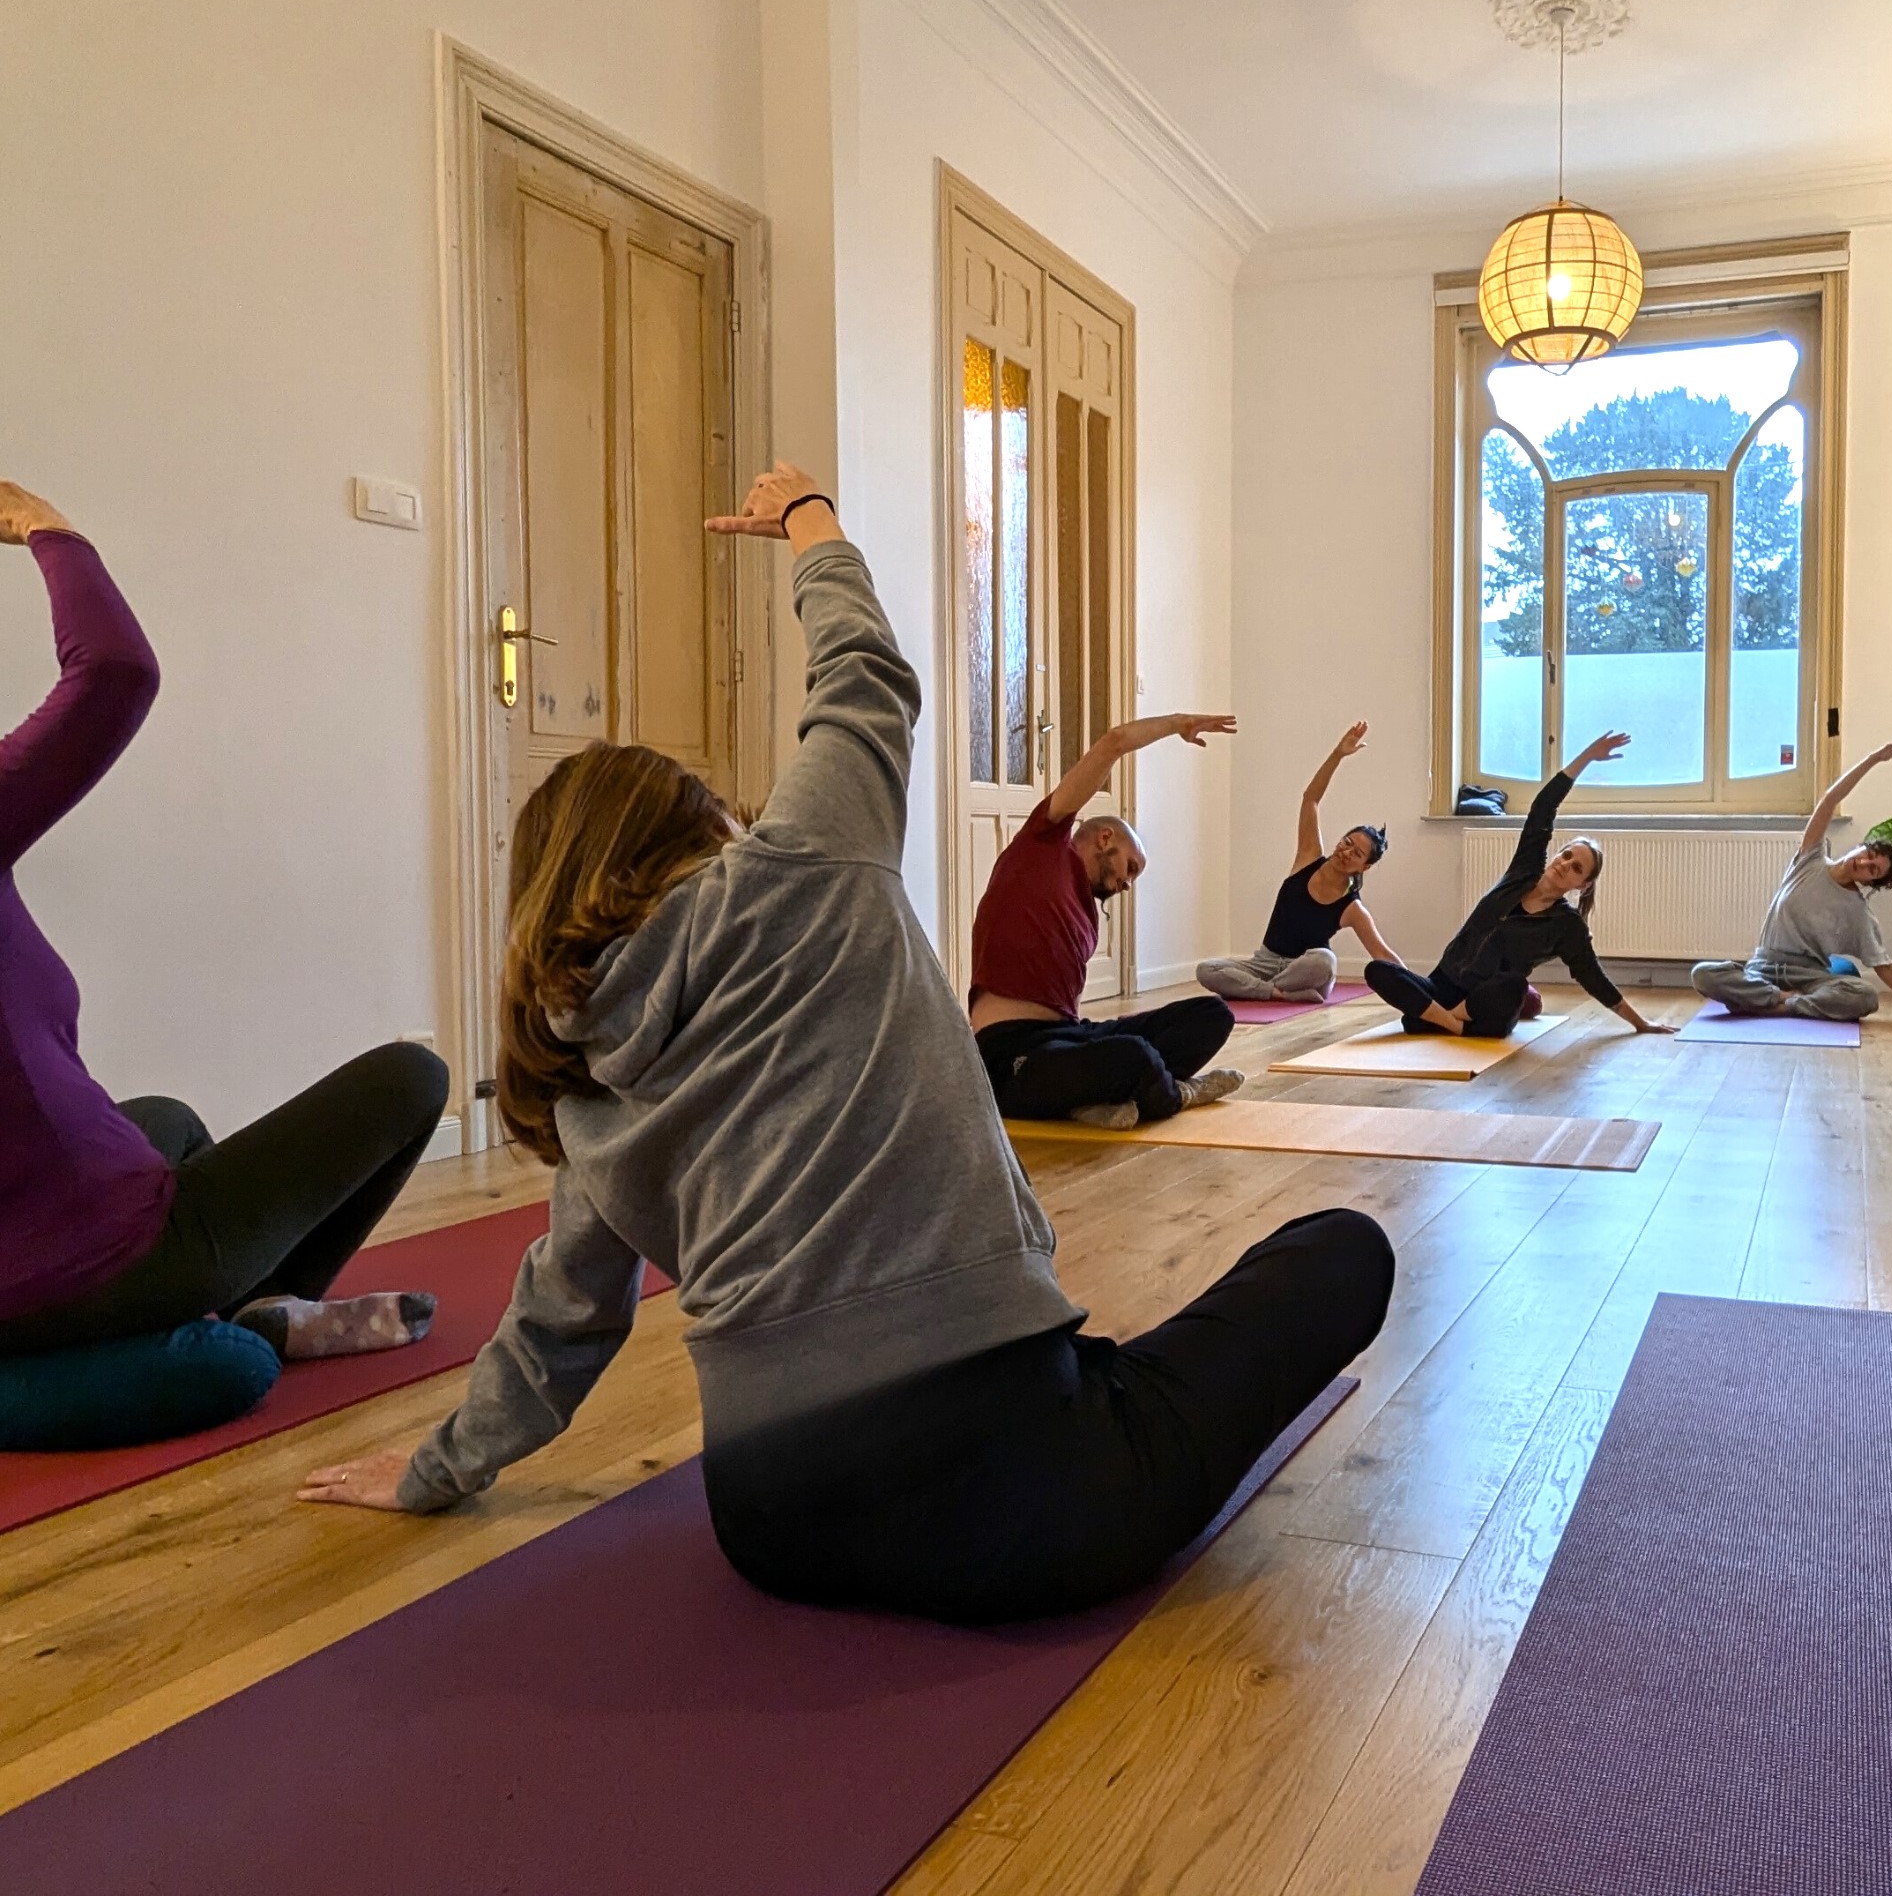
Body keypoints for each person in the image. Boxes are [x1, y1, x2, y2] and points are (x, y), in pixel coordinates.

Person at [298, 464, 1395, 1627]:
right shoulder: (803, 862)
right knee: (1339, 1248)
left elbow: (562, 1315)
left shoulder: (583, 1086)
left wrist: (434, 1469)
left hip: (773, 1524)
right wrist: (806, 519)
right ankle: (1075, 1384)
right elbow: (865, 671)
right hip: (1029, 1493)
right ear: (709, 830)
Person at [0, 481, 448, 1365]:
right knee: (413, 1078)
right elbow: (116, 671)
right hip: (92, 1268)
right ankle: (264, 1310)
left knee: (163, 1116)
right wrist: (42, 522)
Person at [968, 713, 1243, 1131]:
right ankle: (1174, 1094)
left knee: (1212, 1014)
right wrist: (1178, 724)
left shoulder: (1087, 916)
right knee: (1131, 1055)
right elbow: (1113, 741)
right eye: (1130, 868)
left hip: (1073, 1036)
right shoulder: (1043, 843)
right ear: (1104, 839)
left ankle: (1103, 1095)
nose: (1127, 884)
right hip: (1011, 1053)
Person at [1364, 733, 1675, 1039]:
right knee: (1377, 971)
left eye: (1576, 867)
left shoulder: (1567, 926)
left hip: (1487, 998)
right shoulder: (1523, 871)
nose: (1565, 864)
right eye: (1566, 855)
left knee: (1513, 986)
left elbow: (1592, 977)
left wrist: (1640, 1023)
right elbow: (1543, 808)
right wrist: (1585, 758)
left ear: (1583, 884)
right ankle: (1453, 1024)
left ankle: (1432, 1019)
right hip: (1443, 984)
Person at [1692, 740, 1892, 1023]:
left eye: (1874, 871)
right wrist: (1873, 758)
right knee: (1703, 974)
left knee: (1864, 996)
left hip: (1808, 977)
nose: (1866, 863)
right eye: (1870, 854)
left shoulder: (1857, 911)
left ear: (1870, 883)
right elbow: (1829, 800)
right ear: (1860, 846)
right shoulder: (1812, 859)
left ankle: (1774, 1004)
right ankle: (1779, 999)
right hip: (1762, 969)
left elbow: (1884, 965)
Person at [1196, 721, 1403, 1002]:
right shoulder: (1308, 857)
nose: (1345, 852)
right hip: (1264, 963)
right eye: (1347, 843)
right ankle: (1278, 993)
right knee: (1206, 970)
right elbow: (1311, 799)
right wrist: (1338, 755)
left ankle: (1267, 990)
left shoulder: (1353, 908)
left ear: (1364, 867)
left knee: (1325, 962)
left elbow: (1382, 954)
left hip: (1306, 968)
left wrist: (1422, 995)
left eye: (1356, 854)